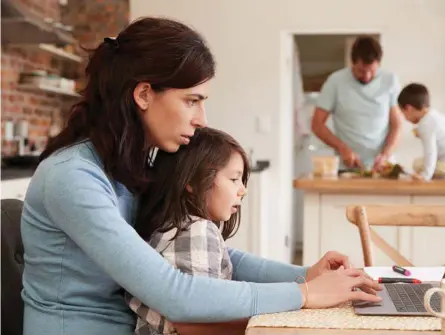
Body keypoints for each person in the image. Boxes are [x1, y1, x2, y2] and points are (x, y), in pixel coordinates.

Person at [20, 17, 381, 335]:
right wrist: (304, 295)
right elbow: (174, 293)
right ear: (144, 94)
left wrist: (306, 275)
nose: (202, 118)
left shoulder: (133, 168)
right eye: (192, 100)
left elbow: (217, 255)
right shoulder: (74, 178)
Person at [126, 127, 250, 334]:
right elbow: (195, 321)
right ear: (192, 181)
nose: (243, 190)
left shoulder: (170, 227)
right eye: (234, 179)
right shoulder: (197, 230)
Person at [311, 35, 403, 172]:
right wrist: (341, 148)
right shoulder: (335, 81)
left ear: (379, 63)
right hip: (346, 167)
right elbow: (317, 124)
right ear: (352, 63)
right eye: (361, 71)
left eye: (372, 71)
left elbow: (397, 124)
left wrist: (385, 154)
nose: (366, 76)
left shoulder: (390, 81)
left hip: (382, 167)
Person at [397, 83, 445, 181]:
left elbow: (430, 152)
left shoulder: (425, 125)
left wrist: (425, 176)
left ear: (409, 108)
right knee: (426, 163)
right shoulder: (434, 115)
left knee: (417, 164)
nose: (405, 118)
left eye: (403, 113)